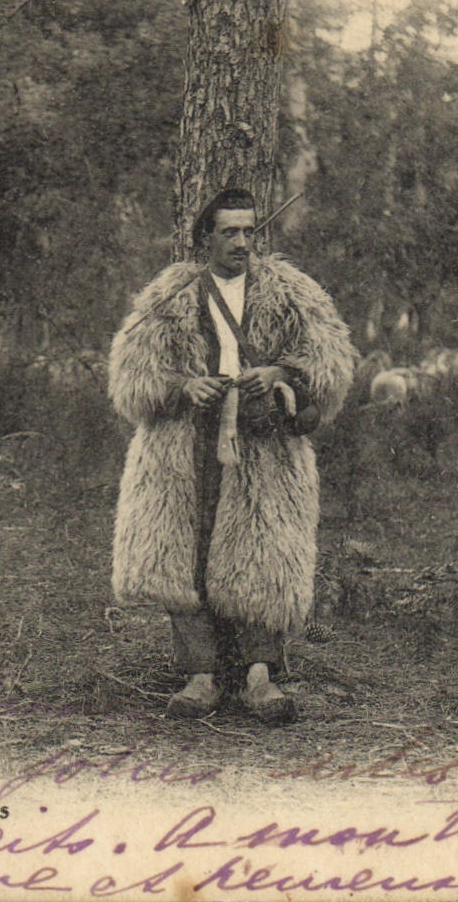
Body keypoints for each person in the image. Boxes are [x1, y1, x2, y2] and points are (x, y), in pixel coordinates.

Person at [107, 188, 354, 723]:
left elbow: (330, 363)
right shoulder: (171, 295)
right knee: (183, 551)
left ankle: (261, 675)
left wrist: (280, 372)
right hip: (184, 443)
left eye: (249, 231)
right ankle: (201, 674)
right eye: (229, 232)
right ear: (205, 238)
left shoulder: (291, 293)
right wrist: (183, 386)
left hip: (264, 439)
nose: (242, 242)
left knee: (264, 550)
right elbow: (130, 377)